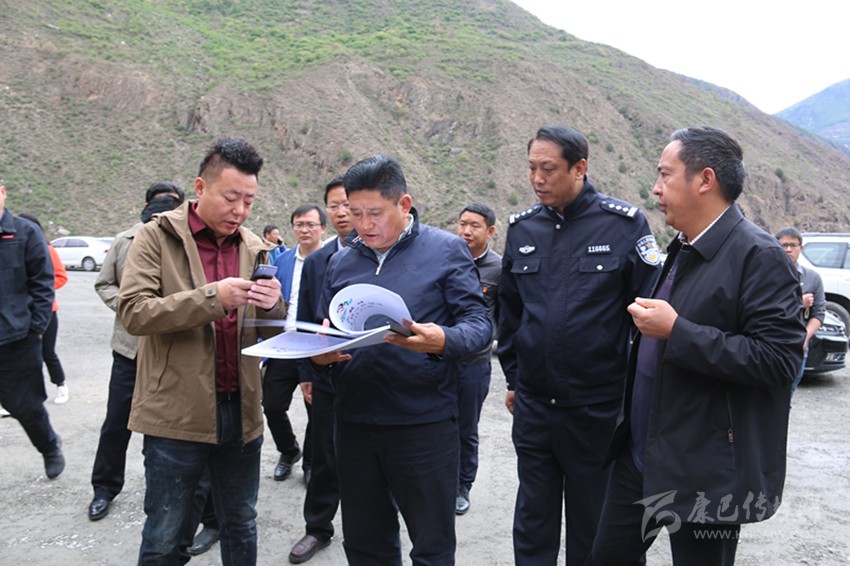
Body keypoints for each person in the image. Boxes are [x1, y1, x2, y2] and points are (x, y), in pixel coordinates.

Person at [591, 126, 806, 565]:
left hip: (704, 467)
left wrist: (678, 331)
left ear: (705, 180)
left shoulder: (759, 256)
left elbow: (780, 360)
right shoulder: (682, 246)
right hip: (641, 455)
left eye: (665, 175)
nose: (656, 188)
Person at [310, 154, 492, 565]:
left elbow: (479, 324)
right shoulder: (341, 261)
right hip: (354, 423)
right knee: (365, 542)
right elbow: (326, 328)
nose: (364, 224)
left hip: (422, 423)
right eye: (355, 213)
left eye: (375, 213)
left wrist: (443, 339)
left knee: (431, 544)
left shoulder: (446, 250)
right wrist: (318, 358)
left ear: (403, 204)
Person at [497, 126, 661, 565]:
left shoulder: (623, 224)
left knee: (594, 526)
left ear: (579, 167)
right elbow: (510, 315)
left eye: (548, 168)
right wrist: (514, 379)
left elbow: (649, 315)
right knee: (532, 522)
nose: (537, 179)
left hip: (597, 410)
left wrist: (636, 396)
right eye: (532, 168)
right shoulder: (522, 229)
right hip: (535, 408)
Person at [118, 137, 285, 565]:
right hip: (176, 413)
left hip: (242, 410)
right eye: (231, 198)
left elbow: (269, 332)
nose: (240, 210)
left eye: (249, 201)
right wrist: (213, 298)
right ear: (200, 187)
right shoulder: (155, 238)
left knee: (241, 523)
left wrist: (274, 306)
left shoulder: (254, 247)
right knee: (165, 533)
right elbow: (134, 312)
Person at [87, 180, 185, 522]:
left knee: (165, 429)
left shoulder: (186, 243)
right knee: (117, 422)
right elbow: (104, 283)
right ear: (145, 206)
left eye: (170, 202)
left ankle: (162, 493)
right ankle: (104, 488)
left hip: (171, 351)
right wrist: (131, 306)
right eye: (157, 201)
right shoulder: (123, 241)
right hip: (129, 351)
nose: (162, 207)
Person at [287, 176, 351, 564]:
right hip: (327, 376)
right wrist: (306, 374)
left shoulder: (385, 256)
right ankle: (317, 528)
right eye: (334, 205)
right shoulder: (316, 262)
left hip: (375, 376)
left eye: (348, 204)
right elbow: (305, 322)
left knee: (376, 456)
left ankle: (373, 526)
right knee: (325, 454)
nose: (342, 212)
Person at [0, 178, 65, 479]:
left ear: (3, 192)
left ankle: (49, 446)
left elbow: (43, 282)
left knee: (24, 404)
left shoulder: (25, 233)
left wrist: (36, 327)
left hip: (17, 338)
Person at [265, 204, 328, 483]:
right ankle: (289, 450)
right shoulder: (282, 260)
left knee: (317, 409)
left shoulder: (332, 259)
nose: (304, 230)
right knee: (272, 405)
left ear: (322, 228)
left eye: (310, 225)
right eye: (299, 224)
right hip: (285, 344)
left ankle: (311, 464)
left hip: (315, 346)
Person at [454, 202, 501, 515]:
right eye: (463, 224)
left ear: (490, 231)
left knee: (466, 428)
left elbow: (507, 316)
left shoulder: (499, 269)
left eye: (475, 226)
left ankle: (462, 485)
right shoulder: (446, 258)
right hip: (440, 357)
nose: (467, 231)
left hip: (474, 363)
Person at [19, 212, 70, 405]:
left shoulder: (47, 249)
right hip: (20, 311)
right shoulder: (14, 248)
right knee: (22, 355)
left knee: (47, 352)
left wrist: (39, 289)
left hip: (45, 310)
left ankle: (61, 385)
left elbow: (61, 277)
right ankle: (21, 397)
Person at [776, 227, 825, 397]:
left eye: (793, 245)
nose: (788, 249)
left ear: (801, 248)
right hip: (772, 346)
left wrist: (805, 336)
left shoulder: (812, 278)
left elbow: (819, 313)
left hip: (798, 349)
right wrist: (798, 302)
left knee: (788, 396)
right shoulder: (766, 275)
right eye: (784, 245)